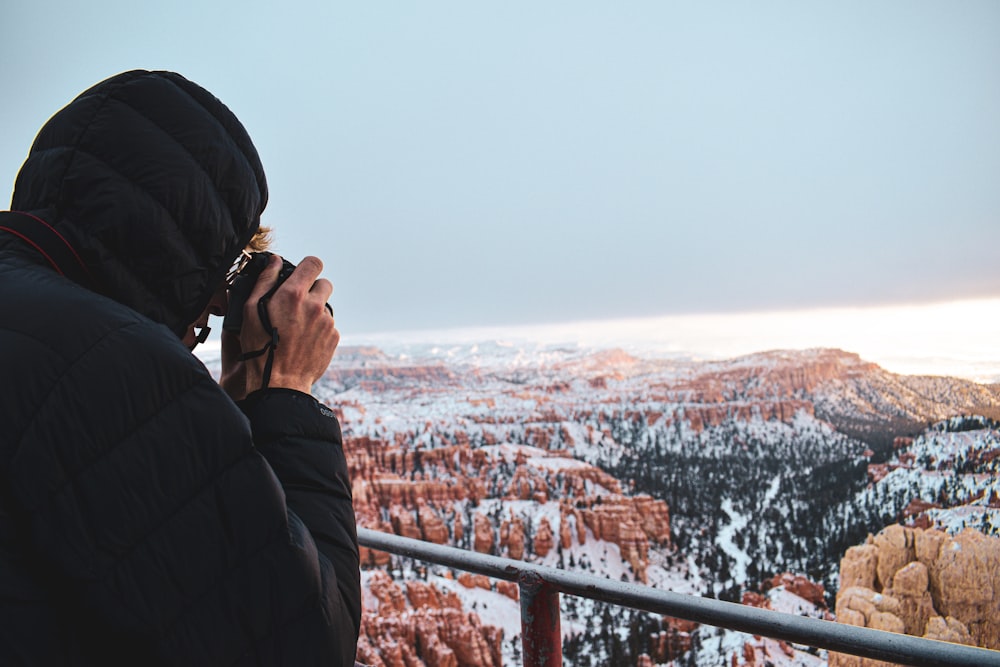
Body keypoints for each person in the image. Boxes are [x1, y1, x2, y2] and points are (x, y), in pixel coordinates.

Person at [0, 70, 360, 665]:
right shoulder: (118, 365)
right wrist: (285, 391)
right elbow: (307, 643)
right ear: (179, 249)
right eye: (222, 274)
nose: (213, 314)